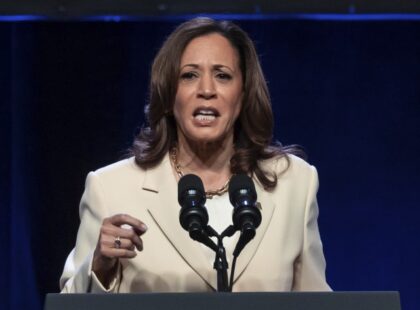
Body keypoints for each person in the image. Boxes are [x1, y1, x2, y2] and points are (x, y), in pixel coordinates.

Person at [60, 17, 331, 293]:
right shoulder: (111, 188)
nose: (206, 91)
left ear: (244, 92)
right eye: (189, 75)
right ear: (169, 93)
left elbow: (317, 304)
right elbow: (67, 306)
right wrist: (99, 267)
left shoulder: (294, 183)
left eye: (222, 75)